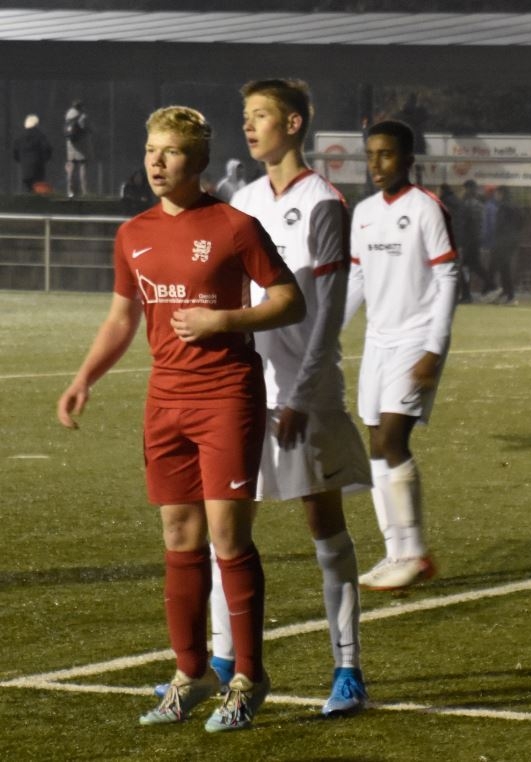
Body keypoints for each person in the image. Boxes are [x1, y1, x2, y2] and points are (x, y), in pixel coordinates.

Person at [56, 105, 305, 731]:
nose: (156, 163)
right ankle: (191, 673)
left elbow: (289, 300)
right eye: (151, 151)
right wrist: (84, 378)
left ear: (197, 160)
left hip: (226, 395)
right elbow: (122, 318)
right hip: (165, 400)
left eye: (169, 152)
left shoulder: (234, 226)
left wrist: (225, 320)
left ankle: (248, 676)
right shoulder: (132, 233)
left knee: (228, 536)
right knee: (178, 536)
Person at [224, 78, 373, 717]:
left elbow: (328, 313)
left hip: (305, 396)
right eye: (245, 115)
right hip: (246, 391)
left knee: (324, 524)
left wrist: (302, 396)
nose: (248, 126)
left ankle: (348, 670)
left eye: (260, 115)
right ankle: (223, 661)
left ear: (292, 123)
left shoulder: (325, 203)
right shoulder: (243, 200)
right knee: (228, 526)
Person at [345, 120, 459, 590]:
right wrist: (328, 334)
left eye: (386, 154)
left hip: (415, 339)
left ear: (408, 160)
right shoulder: (364, 212)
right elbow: (357, 278)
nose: (376, 163)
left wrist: (434, 349)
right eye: (370, 154)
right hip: (377, 342)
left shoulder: (426, 208)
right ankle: (395, 552)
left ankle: (416, 553)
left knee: (393, 439)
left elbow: (448, 278)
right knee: (375, 443)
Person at [456, 179, 493, 303]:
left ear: (468, 189)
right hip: (475, 240)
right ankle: (467, 294)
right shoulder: (479, 204)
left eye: (464, 189)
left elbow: (465, 224)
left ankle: (490, 285)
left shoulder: (468, 204)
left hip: (470, 240)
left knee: (471, 266)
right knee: (468, 266)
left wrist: (463, 241)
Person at [488, 186, 523, 304]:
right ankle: (506, 293)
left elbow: (499, 225)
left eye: (497, 193)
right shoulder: (516, 206)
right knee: (504, 267)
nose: (495, 196)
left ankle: (509, 295)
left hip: (503, 241)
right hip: (514, 240)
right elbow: (522, 222)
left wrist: (497, 238)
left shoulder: (503, 207)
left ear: (501, 194)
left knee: (503, 267)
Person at [12, 114, 52, 193]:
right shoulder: (40, 136)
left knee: (28, 190)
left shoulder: (20, 138)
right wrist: (44, 160)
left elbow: (15, 154)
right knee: (38, 191)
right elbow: (48, 149)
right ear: (36, 124)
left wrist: (22, 161)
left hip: (25, 170)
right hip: (38, 169)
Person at [64, 99, 92, 198]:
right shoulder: (82, 116)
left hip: (70, 145)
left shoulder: (68, 116)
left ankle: (70, 190)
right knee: (83, 167)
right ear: (81, 107)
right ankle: (84, 191)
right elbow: (86, 128)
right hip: (81, 145)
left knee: (71, 167)